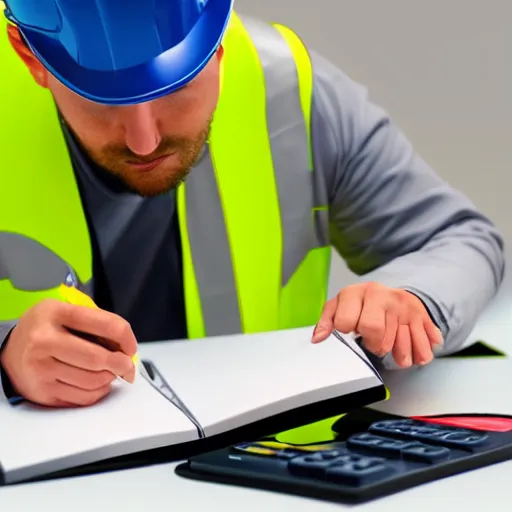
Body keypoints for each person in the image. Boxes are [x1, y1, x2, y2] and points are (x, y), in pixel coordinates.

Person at [0, 0, 504, 410]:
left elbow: (461, 239)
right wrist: (5, 354)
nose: (144, 140)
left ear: (218, 41)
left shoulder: (290, 93)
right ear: (28, 55)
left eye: (175, 85)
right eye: (102, 98)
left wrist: (412, 300)